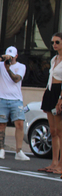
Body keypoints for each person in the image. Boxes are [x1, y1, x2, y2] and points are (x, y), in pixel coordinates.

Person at [0, 46, 29, 161]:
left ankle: (19, 150)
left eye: (12, 57)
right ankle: (1, 149)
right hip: (2, 98)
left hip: (16, 99)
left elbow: (16, 79)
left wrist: (8, 69)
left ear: (16, 56)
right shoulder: (1, 65)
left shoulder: (21, 66)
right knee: (2, 124)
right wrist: (1, 58)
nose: (10, 59)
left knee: (19, 124)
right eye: (8, 56)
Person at [39, 32, 62, 175]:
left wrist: (61, 98)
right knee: (52, 131)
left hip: (59, 92)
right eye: (53, 42)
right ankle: (54, 163)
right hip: (50, 91)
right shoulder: (54, 59)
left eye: (57, 42)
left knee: (60, 131)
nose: (54, 45)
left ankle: (61, 164)